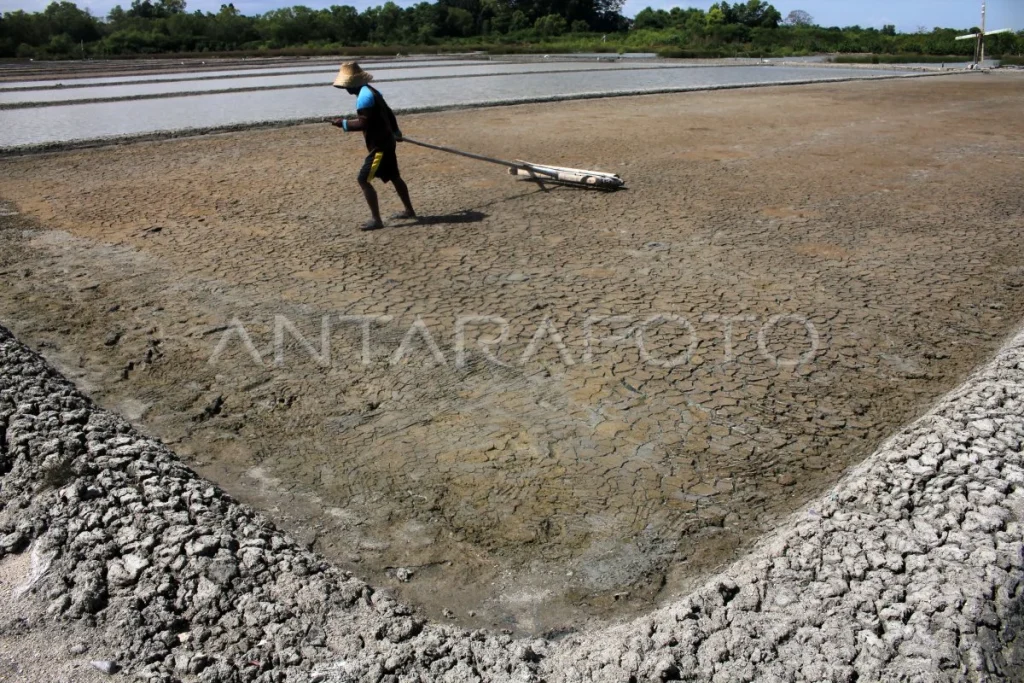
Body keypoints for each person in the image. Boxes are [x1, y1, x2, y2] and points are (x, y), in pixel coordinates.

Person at [331, 62, 416, 231]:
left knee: (363, 179)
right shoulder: (372, 91)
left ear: (351, 83)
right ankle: (409, 210)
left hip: (380, 146)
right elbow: (388, 112)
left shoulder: (364, 97)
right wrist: (396, 131)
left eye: (346, 85)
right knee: (394, 176)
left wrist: (344, 123)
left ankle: (376, 220)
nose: (345, 89)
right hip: (387, 141)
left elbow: (364, 123)